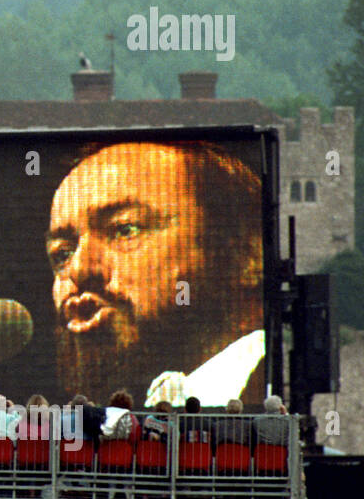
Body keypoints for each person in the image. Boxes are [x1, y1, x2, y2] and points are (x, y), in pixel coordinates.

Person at [46, 141, 265, 409]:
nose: (79, 269)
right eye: (62, 253)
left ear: (246, 252)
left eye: (125, 229)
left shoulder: (266, 389)